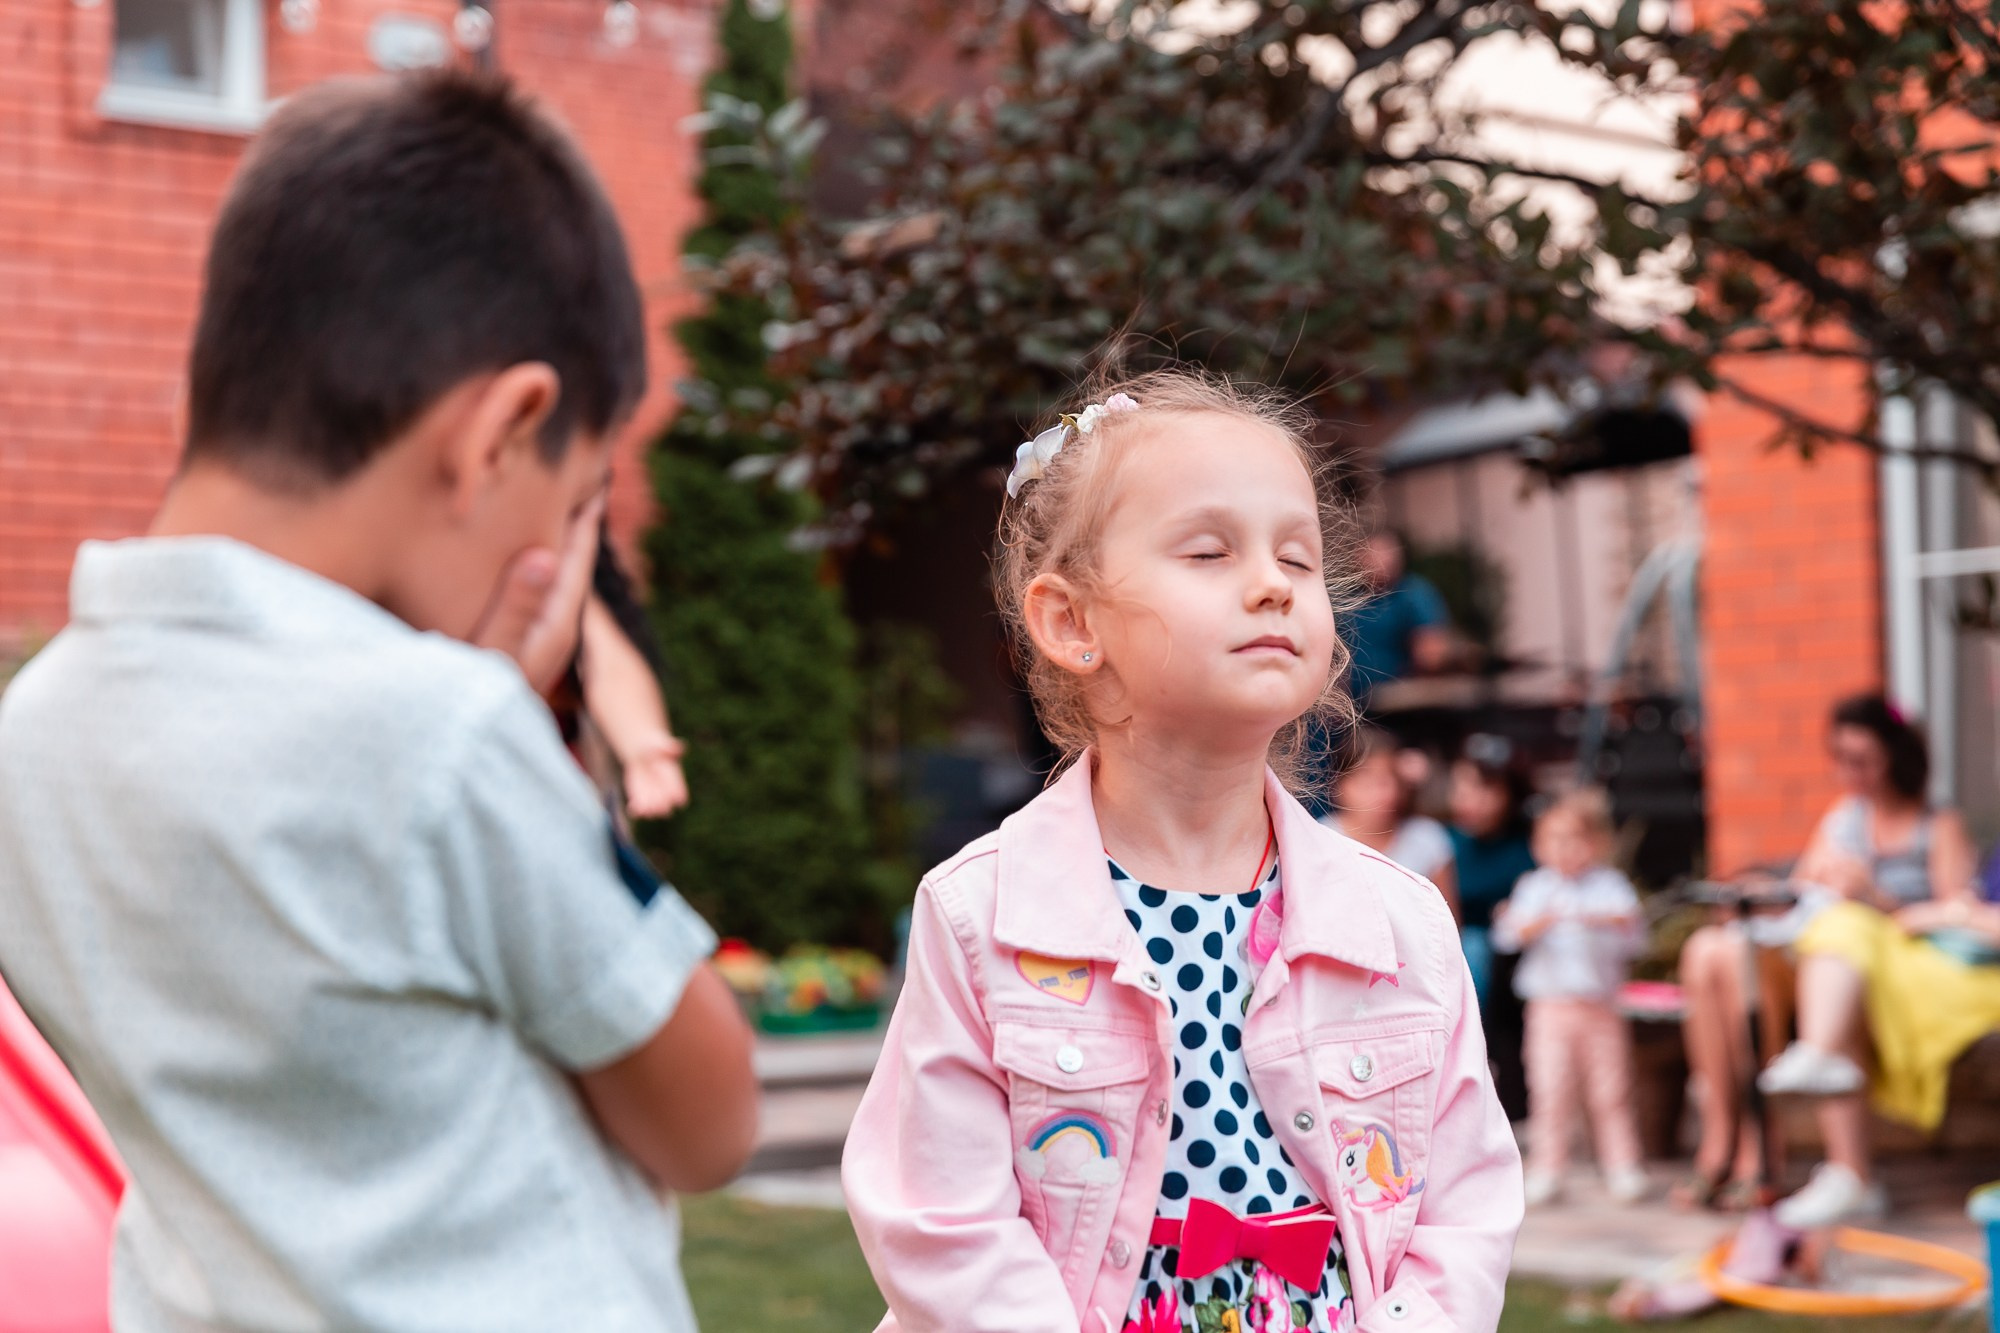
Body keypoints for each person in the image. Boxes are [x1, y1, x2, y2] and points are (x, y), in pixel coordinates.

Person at [0, 71, 757, 1333]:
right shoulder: (446, 736)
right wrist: (525, 741)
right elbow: (709, 1120)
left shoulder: (33, 731)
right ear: (499, 434)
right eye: (572, 503)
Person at [842, 371, 1521, 1333]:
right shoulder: (980, 915)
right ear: (1072, 622)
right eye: (1209, 551)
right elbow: (942, 1222)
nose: (1272, 584)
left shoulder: (1399, 922)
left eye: (1298, 557)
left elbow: (1466, 1208)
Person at [1672, 694, 1976, 1216]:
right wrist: (1764, 893)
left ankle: (1764, 1148)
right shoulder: (1843, 818)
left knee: (1786, 950)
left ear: (1895, 757)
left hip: (1881, 956)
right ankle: (1726, 1138)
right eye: (1841, 759)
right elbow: (1799, 892)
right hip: (1819, 947)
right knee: (1709, 950)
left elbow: (1955, 914)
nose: (1848, 773)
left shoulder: (1937, 823)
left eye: (1862, 760)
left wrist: (1871, 895)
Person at [1492, 789, 1648, 1206]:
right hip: (1549, 1009)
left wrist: (1602, 920)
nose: (1565, 849)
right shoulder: (1534, 887)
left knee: (1611, 1089)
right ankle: (1548, 1167)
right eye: (1555, 839)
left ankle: (1622, 1164)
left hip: (1601, 1007)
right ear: (1538, 846)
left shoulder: (1611, 887)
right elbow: (1508, 937)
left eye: (1575, 838)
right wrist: (1535, 922)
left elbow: (1635, 935)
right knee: (1550, 1088)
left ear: (1596, 842)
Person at [1447, 735, 1537, 1120]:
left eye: (1484, 788)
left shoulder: (1530, 844)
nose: (1469, 798)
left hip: (1516, 960)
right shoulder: (1444, 841)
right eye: (1461, 786)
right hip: (1458, 954)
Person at [1323, 725, 1459, 918]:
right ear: (1339, 784)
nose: (1381, 794)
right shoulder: (1320, 840)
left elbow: (1448, 922)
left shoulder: (1428, 840)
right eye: (1367, 782)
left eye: (1388, 780)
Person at [1342, 529, 1453, 706]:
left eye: (1385, 553)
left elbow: (1431, 653)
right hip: (1349, 702)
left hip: (1396, 703)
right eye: (1370, 553)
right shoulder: (1347, 598)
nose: (1379, 560)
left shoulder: (1414, 595)